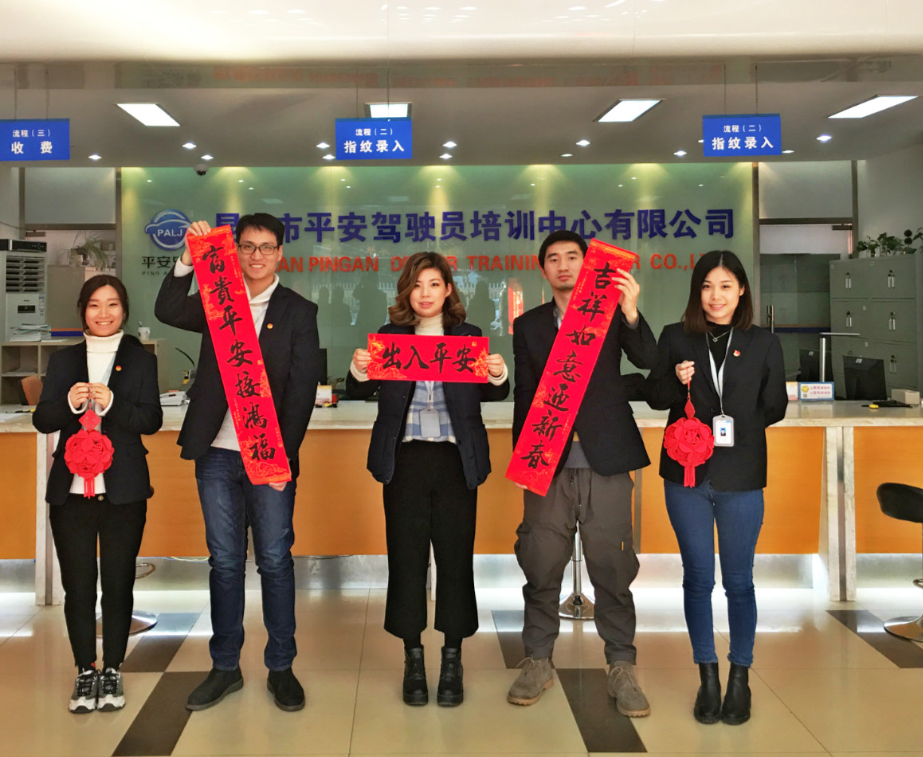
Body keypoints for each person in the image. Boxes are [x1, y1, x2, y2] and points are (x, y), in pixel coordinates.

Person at [154, 213, 320, 713]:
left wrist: (282, 457)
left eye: (266, 247)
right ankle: (225, 666)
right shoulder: (217, 298)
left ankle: (281, 667)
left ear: (280, 253)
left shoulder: (298, 311)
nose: (256, 256)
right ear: (236, 252)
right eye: (247, 246)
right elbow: (166, 308)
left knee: (275, 559)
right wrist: (188, 259)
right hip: (216, 453)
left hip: (268, 456)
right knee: (224, 562)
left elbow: (302, 391)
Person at [345, 252, 510, 708]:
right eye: (417, 285)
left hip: (456, 462)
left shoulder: (468, 337)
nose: (425, 293)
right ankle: (413, 657)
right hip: (406, 461)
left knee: (455, 560)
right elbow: (358, 388)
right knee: (407, 559)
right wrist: (359, 366)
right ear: (406, 291)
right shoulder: (391, 338)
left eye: (434, 284)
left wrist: (499, 373)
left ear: (448, 290)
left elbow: (495, 391)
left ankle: (453, 658)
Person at [508, 229, 657, 717]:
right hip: (547, 463)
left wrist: (631, 312)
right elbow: (525, 394)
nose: (564, 266)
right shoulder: (529, 325)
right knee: (541, 562)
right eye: (553, 259)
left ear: (587, 264)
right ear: (543, 269)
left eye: (573, 257)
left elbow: (651, 361)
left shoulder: (609, 314)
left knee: (613, 567)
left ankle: (621, 665)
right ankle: (537, 660)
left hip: (606, 459)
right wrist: (524, 459)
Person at [642, 250, 787, 726]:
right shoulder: (675, 336)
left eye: (725, 286)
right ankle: (707, 676)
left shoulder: (763, 342)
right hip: (686, 477)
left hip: (741, 476)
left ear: (741, 290)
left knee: (739, 582)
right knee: (698, 578)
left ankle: (740, 677)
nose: (715, 296)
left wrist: (733, 426)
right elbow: (655, 396)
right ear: (696, 291)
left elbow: (776, 405)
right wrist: (676, 380)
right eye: (706, 286)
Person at [32, 275, 163, 714]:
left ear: (124, 310)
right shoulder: (64, 360)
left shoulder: (141, 360)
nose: (103, 313)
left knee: (118, 584)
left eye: (112, 304)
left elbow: (151, 421)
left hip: (122, 492)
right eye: (94, 305)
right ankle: (85, 668)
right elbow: (43, 420)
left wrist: (112, 405)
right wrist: (69, 404)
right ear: (82, 311)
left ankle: (113, 668)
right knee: (79, 586)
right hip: (70, 494)